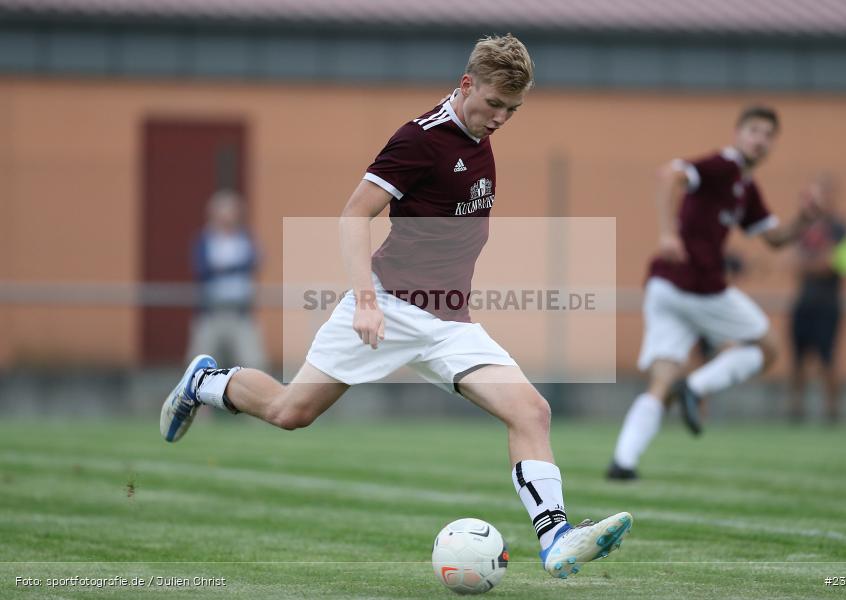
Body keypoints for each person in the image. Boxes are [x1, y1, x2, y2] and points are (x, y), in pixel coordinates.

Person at [161, 34, 631, 579]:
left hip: (449, 320)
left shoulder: (479, 133)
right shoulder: (417, 139)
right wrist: (365, 302)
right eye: (494, 104)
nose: (501, 117)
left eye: (512, 109)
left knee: (532, 411)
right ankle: (205, 383)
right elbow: (353, 215)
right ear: (466, 85)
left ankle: (556, 540)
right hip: (388, 304)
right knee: (291, 412)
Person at [607, 105, 821, 480]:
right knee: (768, 348)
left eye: (768, 134)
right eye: (754, 130)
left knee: (661, 380)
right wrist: (668, 232)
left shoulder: (745, 187)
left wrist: (803, 219)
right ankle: (696, 385)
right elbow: (669, 174)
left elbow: (773, 239)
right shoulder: (724, 165)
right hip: (698, 286)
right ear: (738, 134)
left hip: (665, 285)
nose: (760, 139)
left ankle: (623, 462)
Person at [788, 173, 846, 423]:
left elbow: (831, 264)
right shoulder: (802, 227)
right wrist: (812, 262)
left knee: (827, 360)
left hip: (829, 305)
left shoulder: (840, 228)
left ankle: (832, 412)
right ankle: (796, 412)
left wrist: (808, 263)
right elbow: (790, 261)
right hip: (803, 303)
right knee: (798, 361)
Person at [187, 190, 267, 370]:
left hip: (241, 313)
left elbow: (255, 261)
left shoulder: (246, 238)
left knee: (254, 364)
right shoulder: (204, 239)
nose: (228, 218)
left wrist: (222, 268)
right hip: (211, 313)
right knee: (199, 366)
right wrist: (236, 267)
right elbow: (202, 269)